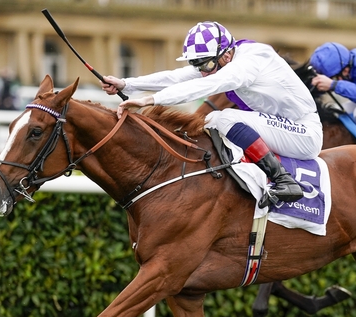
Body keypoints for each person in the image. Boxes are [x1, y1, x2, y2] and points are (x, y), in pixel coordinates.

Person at [102, 22, 323, 205]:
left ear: (226, 56)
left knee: (222, 118)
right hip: (281, 126)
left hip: (303, 133)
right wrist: (125, 84)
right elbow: (176, 76)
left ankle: (283, 181)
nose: (203, 72)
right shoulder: (222, 58)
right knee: (215, 119)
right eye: (198, 66)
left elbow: (204, 86)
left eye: (206, 65)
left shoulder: (247, 64)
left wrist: (148, 100)